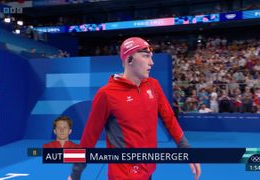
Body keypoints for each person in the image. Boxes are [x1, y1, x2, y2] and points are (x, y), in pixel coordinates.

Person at [69, 37, 201, 180]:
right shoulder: (106, 94)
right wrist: (75, 174)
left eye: (151, 57)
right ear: (129, 60)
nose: (151, 62)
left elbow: (169, 119)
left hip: (148, 170)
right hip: (123, 175)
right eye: (146, 56)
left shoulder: (153, 85)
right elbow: (90, 136)